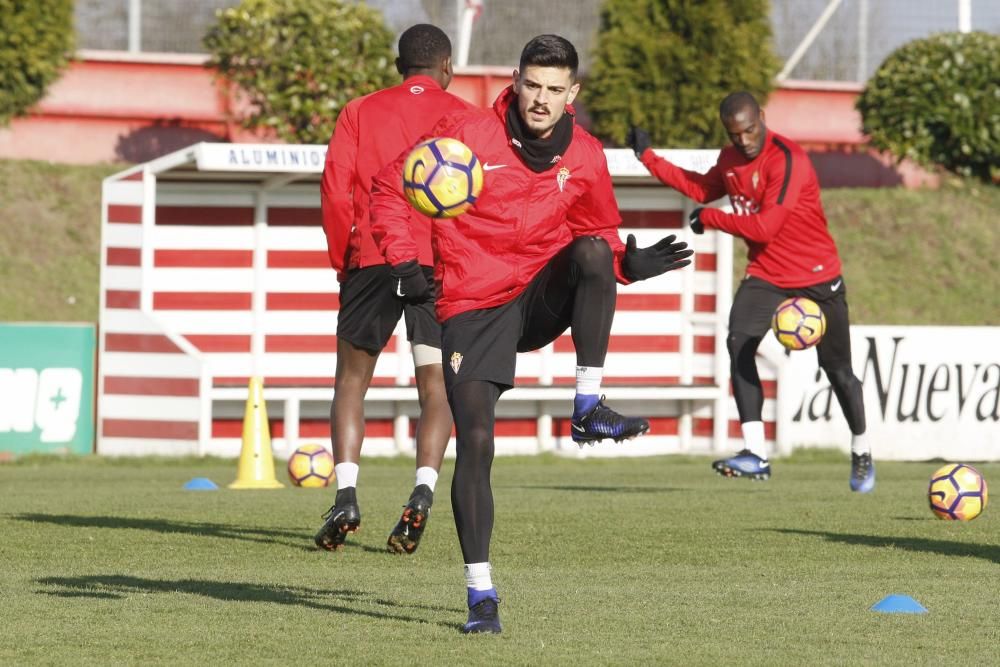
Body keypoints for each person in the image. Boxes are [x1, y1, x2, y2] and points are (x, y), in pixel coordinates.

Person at [371, 34, 694, 634]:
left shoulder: (588, 156)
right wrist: (404, 261)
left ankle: (588, 404)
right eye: (532, 85)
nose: (540, 100)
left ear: (572, 93)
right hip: (473, 303)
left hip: (541, 296)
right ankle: (481, 598)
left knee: (595, 252)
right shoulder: (464, 134)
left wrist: (629, 263)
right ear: (516, 81)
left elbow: (596, 228)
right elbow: (389, 189)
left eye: (554, 89)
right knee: (476, 439)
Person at [627, 91, 872, 493]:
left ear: (762, 116)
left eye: (749, 129)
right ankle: (755, 454)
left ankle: (861, 449)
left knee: (839, 372)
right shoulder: (730, 158)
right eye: (734, 133)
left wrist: (711, 219)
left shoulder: (787, 159)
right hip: (768, 273)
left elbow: (764, 227)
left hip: (817, 273)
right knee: (739, 341)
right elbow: (701, 188)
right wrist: (648, 157)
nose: (743, 140)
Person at [314, 24, 477, 555]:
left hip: (375, 258)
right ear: (447, 67)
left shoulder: (359, 111)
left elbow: (337, 189)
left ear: (398, 65)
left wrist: (346, 260)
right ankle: (423, 493)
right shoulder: (469, 118)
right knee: (436, 386)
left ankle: (345, 496)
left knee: (352, 383)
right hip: (437, 266)